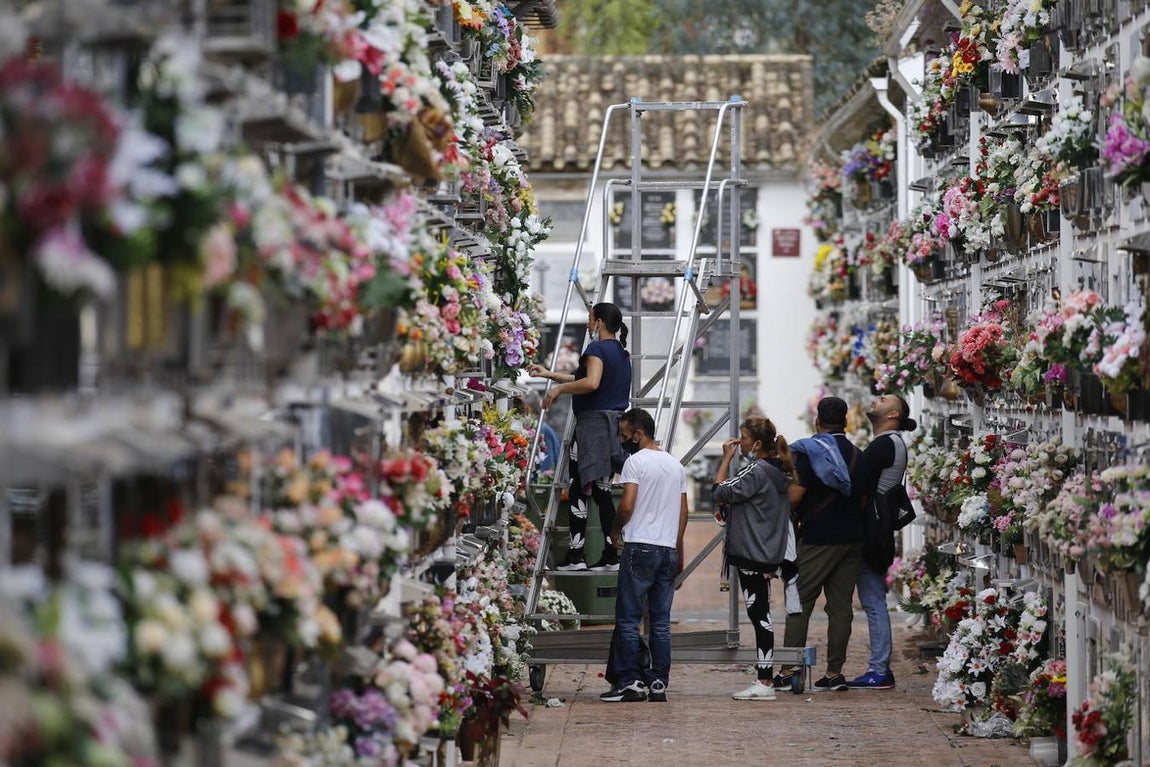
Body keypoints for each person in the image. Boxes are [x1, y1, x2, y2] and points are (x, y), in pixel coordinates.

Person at [529, 303, 632, 571]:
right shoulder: (621, 352)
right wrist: (550, 374)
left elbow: (591, 382)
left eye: (590, 319)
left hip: (592, 427)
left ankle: (576, 555)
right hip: (613, 427)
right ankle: (611, 554)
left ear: (599, 322)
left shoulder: (596, 348)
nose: (588, 324)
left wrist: (559, 389)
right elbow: (584, 376)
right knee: (602, 491)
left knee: (579, 487)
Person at [779, 396, 868, 692]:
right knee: (841, 607)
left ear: (817, 422)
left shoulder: (808, 454)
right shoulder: (857, 455)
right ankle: (834, 672)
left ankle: (790, 667)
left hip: (818, 538)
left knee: (800, 601)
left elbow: (794, 498)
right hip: (853, 538)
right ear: (846, 422)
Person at [599, 407, 688, 703]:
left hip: (640, 546)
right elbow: (683, 513)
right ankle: (659, 680)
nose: (623, 440)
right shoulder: (676, 465)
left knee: (628, 618)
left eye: (625, 435)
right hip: (667, 549)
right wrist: (678, 548)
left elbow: (626, 505)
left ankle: (629, 680)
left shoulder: (635, 463)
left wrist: (614, 532)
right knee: (660, 621)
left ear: (638, 434)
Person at [711, 415, 801, 701]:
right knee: (760, 612)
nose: (740, 443)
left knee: (759, 614)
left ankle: (764, 680)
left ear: (758, 443)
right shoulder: (778, 471)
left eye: (744, 439)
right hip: (766, 550)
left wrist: (725, 459)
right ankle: (765, 677)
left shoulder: (757, 470)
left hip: (753, 552)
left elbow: (720, 490)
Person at [846, 394, 917, 690]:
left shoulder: (885, 444)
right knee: (872, 599)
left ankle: (879, 668)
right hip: (879, 529)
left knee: (873, 601)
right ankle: (879, 667)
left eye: (884, 399)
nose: (876, 399)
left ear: (894, 414)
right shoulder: (893, 442)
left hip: (872, 531)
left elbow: (857, 481)